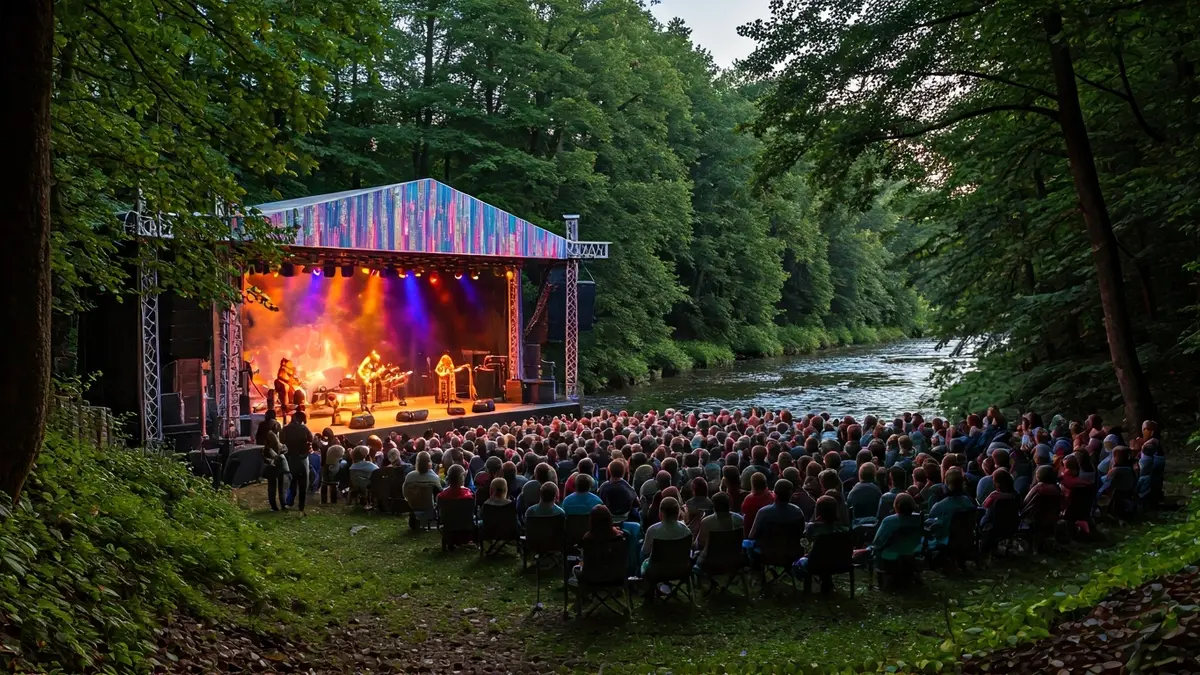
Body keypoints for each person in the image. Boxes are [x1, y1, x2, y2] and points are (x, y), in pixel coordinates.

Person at [641, 496, 691, 577]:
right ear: (678, 513)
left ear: (660, 513)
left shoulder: (652, 530)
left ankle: (639, 580)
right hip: (680, 569)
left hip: (656, 571)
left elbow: (645, 551)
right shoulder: (686, 531)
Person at [926, 468, 975, 549]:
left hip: (946, 540)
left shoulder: (940, 505)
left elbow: (930, 518)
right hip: (967, 537)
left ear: (946, 483)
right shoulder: (970, 501)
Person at [695, 491, 744, 565]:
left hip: (711, 562)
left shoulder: (706, 522)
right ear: (729, 504)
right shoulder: (740, 519)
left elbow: (700, 544)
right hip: (734, 560)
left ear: (713, 507)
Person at [279, 411, 314, 511]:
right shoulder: (303, 428)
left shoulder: (285, 429)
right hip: (302, 459)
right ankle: (301, 506)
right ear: (301, 419)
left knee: (292, 481)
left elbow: (281, 441)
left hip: (290, 458)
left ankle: (289, 502)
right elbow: (310, 438)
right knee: (303, 483)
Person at [598, 459, 639, 523]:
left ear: (609, 471)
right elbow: (636, 503)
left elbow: (599, 502)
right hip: (625, 518)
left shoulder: (604, 486)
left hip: (607, 518)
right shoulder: (627, 486)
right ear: (623, 472)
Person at [260, 430, 288, 511]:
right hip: (280, 469)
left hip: (271, 469)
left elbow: (264, 459)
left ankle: (274, 506)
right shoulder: (281, 447)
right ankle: (283, 504)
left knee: (271, 488)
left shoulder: (265, 449)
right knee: (281, 487)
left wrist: (270, 460)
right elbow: (285, 452)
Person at [740, 472, 774, 537]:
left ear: (752, 485)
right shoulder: (772, 496)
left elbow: (743, 510)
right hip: (768, 532)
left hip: (751, 531)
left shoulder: (748, 499)